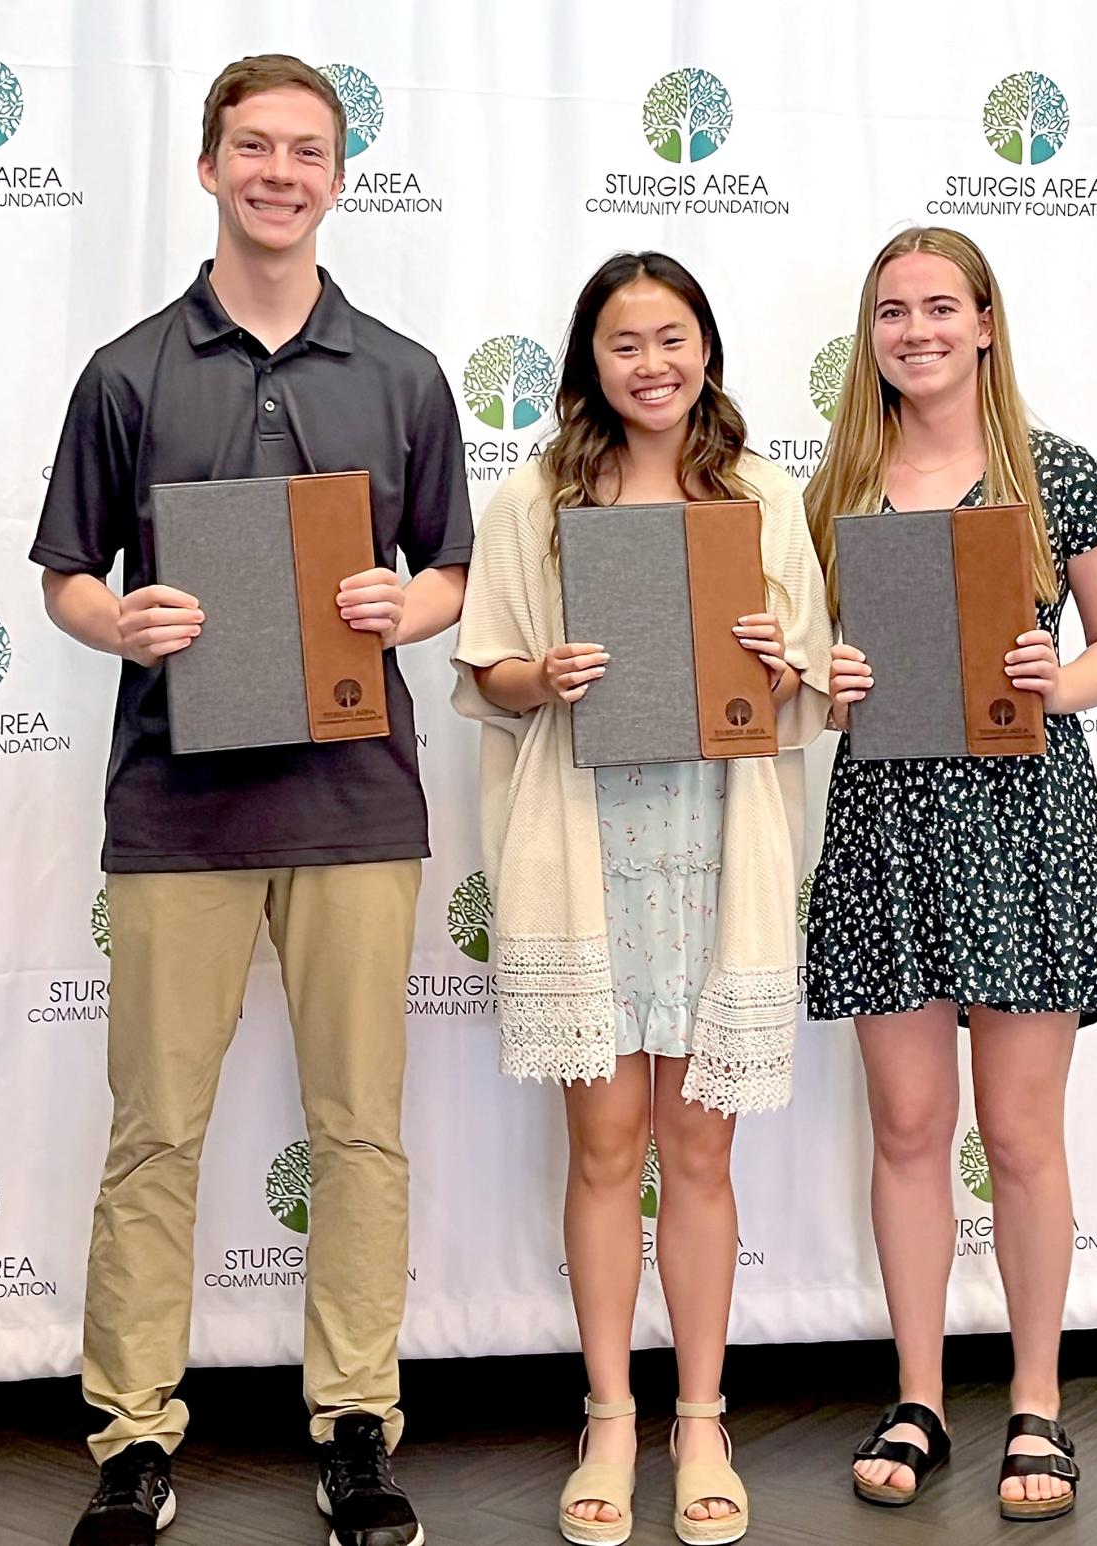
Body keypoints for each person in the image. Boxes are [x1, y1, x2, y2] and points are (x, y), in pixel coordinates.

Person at [30, 54, 471, 1546]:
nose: (280, 172)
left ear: (339, 176)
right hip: (176, 812)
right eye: (253, 147)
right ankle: (133, 1436)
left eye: (307, 150)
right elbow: (67, 576)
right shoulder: (127, 369)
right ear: (209, 168)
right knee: (155, 1130)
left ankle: (356, 1425)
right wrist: (120, 622)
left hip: (357, 804)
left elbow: (450, 571)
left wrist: (401, 611)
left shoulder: (405, 373)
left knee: (362, 1130)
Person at [453, 250, 831, 1545]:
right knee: (606, 1145)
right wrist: (536, 676)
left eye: (671, 338)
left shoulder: (764, 497)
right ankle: (609, 1414)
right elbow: (483, 669)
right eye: (624, 343)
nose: (651, 363)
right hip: (584, 845)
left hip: (714, 841)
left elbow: (812, 682)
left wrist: (783, 664)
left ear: (707, 351)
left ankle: (702, 1415)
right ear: (588, 365)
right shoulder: (531, 501)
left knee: (701, 1148)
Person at [803, 226, 1097, 1523]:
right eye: (890, 311)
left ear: (986, 322)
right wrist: (822, 682)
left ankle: (1037, 1401)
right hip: (886, 817)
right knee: (904, 1128)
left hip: (1021, 816)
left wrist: (1059, 679)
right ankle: (916, 1393)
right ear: (870, 334)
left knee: (1015, 1131)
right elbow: (800, 677)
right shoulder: (832, 484)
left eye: (939, 307)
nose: (916, 331)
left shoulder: (1056, 472)